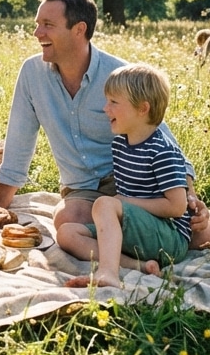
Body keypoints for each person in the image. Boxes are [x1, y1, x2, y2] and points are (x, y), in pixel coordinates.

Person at [0, 0, 210, 248]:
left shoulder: (121, 76)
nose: (37, 33)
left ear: (79, 29)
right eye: (37, 24)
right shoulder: (32, 73)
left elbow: (162, 137)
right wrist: (0, 205)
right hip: (81, 189)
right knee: (69, 219)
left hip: (135, 183)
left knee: (195, 238)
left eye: (48, 25)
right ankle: (135, 255)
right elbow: (19, 139)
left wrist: (190, 197)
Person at [60, 63, 192, 286]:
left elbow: (177, 207)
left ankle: (108, 273)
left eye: (114, 102)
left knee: (105, 204)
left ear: (142, 108)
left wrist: (124, 202)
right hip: (136, 230)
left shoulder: (162, 151)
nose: (105, 108)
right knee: (67, 233)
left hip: (168, 237)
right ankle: (140, 265)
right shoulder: (120, 144)